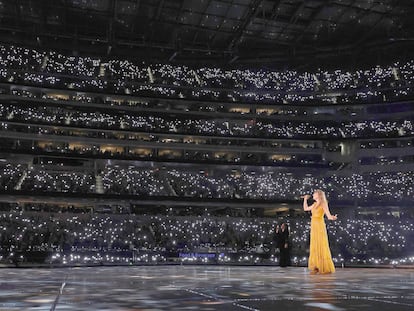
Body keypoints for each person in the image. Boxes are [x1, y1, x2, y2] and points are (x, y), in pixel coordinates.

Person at [303, 189, 337, 274]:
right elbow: (306, 208)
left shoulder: (323, 203)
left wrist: (332, 217)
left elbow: (328, 216)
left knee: (321, 244)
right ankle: (316, 265)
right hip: (314, 225)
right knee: (315, 244)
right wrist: (305, 199)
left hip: (319, 225)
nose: (313, 195)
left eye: (314, 193)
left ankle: (323, 265)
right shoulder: (314, 204)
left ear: (319, 195)